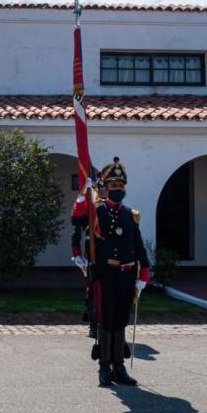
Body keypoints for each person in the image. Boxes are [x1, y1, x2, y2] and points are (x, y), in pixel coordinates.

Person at [71, 157, 150, 387]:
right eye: (113, 186)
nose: (117, 190)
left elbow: (139, 246)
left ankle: (120, 367)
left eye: (120, 186)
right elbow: (77, 219)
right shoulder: (97, 211)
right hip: (105, 273)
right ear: (105, 187)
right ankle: (104, 367)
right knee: (106, 319)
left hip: (126, 275)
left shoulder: (130, 214)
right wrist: (82, 194)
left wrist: (143, 274)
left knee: (120, 320)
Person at [72, 174, 106, 339]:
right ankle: (93, 325)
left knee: (108, 291)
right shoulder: (88, 208)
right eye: (100, 189)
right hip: (91, 253)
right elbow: (76, 228)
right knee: (92, 290)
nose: (103, 192)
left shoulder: (112, 208)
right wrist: (77, 254)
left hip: (109, 255)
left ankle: (106, 322)